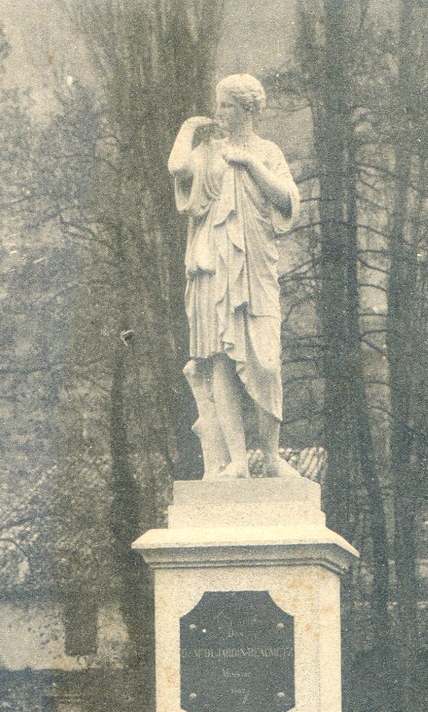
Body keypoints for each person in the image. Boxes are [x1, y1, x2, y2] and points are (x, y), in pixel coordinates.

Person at [168, 73, 301, 479]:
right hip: (213, 266)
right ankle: (238, 460)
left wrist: (250, 164)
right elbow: (177, 168)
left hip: (256, 271)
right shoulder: (208, 150)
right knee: (219, 360)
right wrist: (189, 128)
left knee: (266, 361)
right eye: (218, 104)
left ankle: (272, 456)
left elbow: (287, 201)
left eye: (226, 105)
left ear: (248, 108)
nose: (219, 112)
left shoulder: (268, 152)